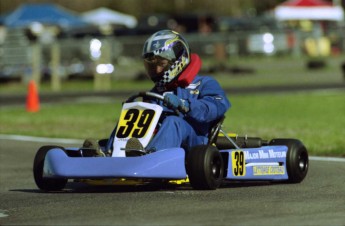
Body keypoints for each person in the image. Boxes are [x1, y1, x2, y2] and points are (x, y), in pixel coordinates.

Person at [105, 30, 231, 156]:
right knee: (129, 118)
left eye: (161, 64)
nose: (157, 70)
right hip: (164, 140)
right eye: (152, 66)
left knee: (173, 121)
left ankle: (151, 157)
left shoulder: (204, 83)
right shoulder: (156, 92)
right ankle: (109, 152)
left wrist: (185, 105)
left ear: (178, 60)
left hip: (197, 144)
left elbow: (217, 107)